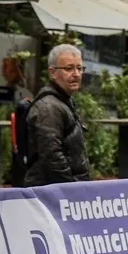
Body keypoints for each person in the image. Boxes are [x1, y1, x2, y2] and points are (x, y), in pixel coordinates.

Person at [23, 44, 91, 187]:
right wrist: (71, 189)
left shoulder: (64, 101)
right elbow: (52, 157)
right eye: (69, 68)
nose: (76, 74)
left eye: (79, 68)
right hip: (51, 195)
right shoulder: (49, 107)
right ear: (52, 72)